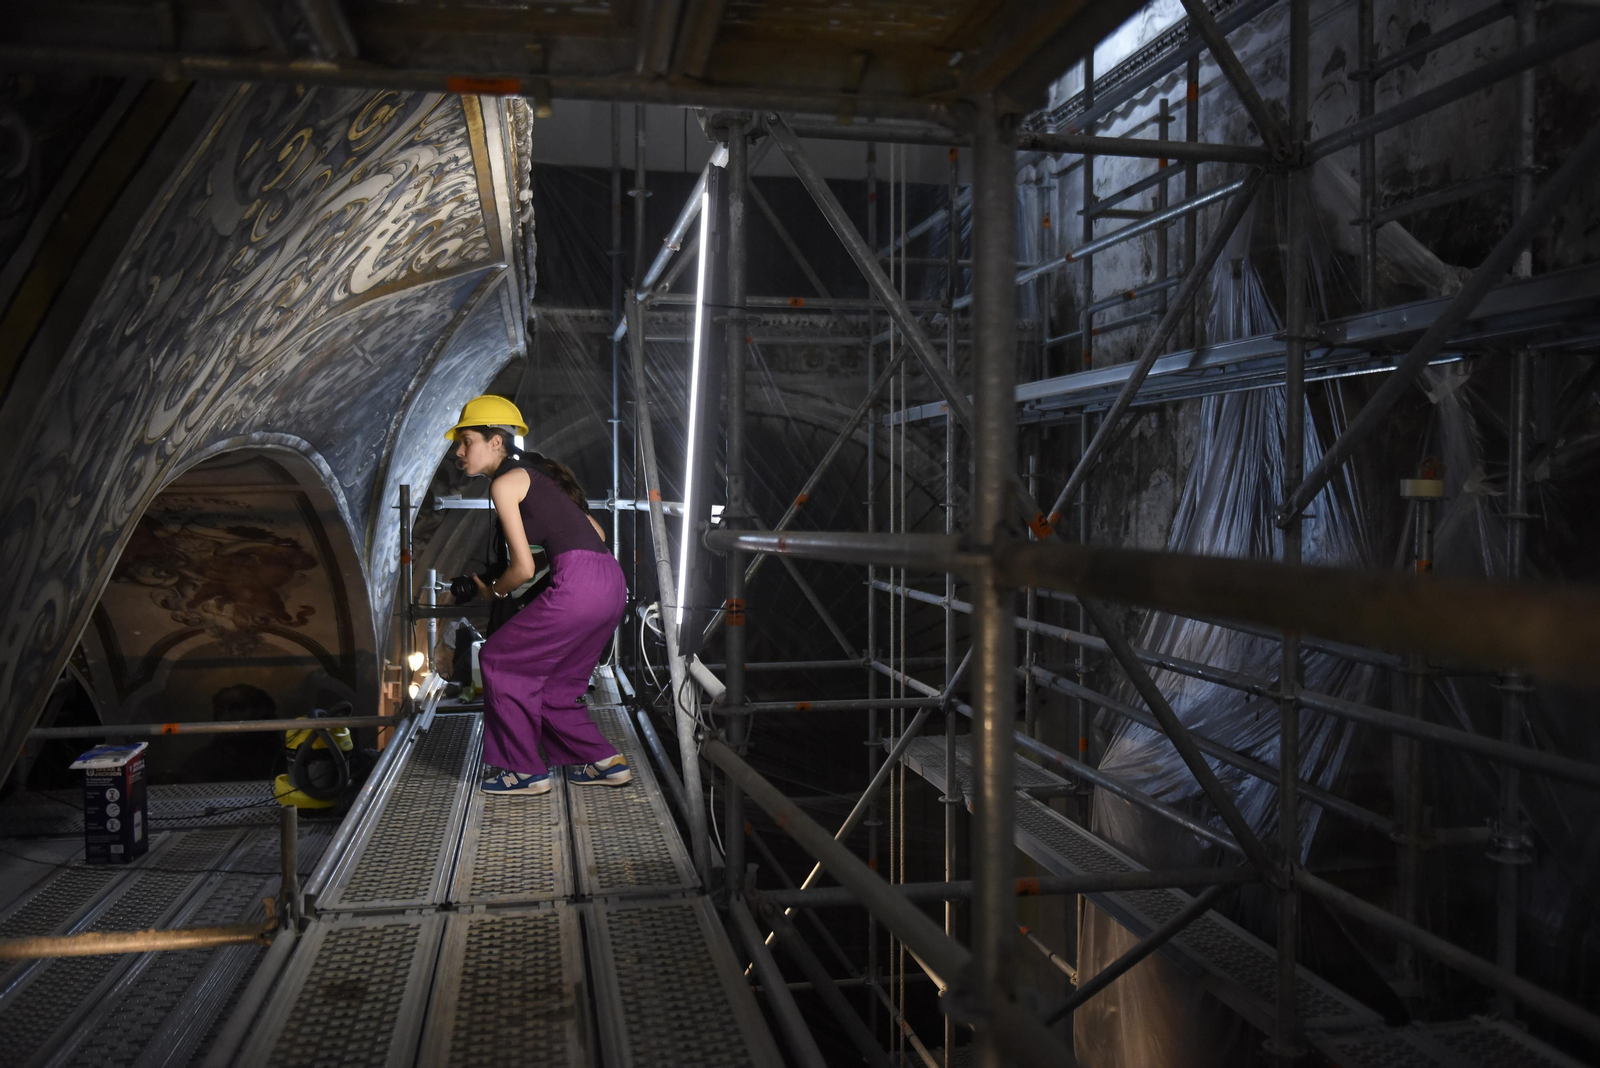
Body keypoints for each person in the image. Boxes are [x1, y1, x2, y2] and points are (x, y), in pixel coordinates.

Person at [446, 394, 632, 795]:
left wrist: (494, 591)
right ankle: (603, 761)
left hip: (578, 584)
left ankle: (524, 771)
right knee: (557, 685)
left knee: (497, 658)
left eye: (467, 441)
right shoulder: (542, 478)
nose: (459, 453)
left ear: (496, 440)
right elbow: (596, 534)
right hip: (611, 582)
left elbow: (523, 569)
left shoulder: (504, 483)